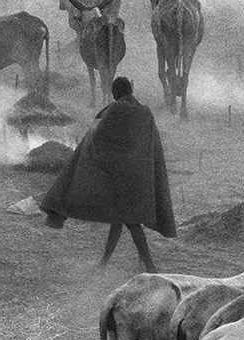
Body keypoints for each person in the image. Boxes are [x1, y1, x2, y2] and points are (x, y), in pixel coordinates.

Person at [40, 76, 175, 273]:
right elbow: (150, 144)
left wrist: (91, 156)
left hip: (120, 179)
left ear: (116, 93)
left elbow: (97, 135)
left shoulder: (115, 110)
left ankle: (150, 267)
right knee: (117, 221)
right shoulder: (145, 112)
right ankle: (103, 263)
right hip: (139, 178)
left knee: (131, 223)